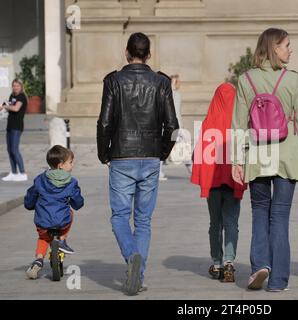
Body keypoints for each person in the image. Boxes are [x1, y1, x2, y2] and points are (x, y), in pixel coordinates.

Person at [231, 28, 298, 292]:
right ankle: (278, 281)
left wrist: (237, 160)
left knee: (259, 211)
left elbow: (238, 124)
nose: (291, 50)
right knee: (279, 216)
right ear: (274, 48)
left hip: (258, 154)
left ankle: (260, 265)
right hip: (287, 155)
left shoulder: (246, 80)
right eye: (287, 45)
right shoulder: (293, 80)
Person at [97, 32, 179, 295]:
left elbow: (105, 122)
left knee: (120, 217)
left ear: (126, 52)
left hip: (121, 155)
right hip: (150, 156)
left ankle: (131, 256)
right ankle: (138, 273)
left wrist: (104, 154)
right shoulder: (161, 82)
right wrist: (162, 153)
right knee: (143, 220)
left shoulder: (113, 81)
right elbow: (173, 127)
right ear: (149, 54)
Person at [191, 82, 247, 283]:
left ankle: (217, 264)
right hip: (233, 179)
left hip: (214, 181)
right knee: (231, 220)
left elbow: (200, 155)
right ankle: (230, 262)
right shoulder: (238, 123)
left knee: (215, 222)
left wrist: (201, 178)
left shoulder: (209, 122)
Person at [24, 145, 84, 280]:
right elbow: (77, 202)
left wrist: (29, 205)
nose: (72, 165)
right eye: (71, 162)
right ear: (61, 165)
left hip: (43, 222)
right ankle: (62, 240)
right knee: (70, 212)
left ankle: (39, 260)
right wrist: (77, 203)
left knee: (44, 238)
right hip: (62, 222)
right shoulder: (71, 182)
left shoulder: (40, 179)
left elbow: (31, 196)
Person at [1, 79, 28, 182]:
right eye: (13, 86)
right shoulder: (12, 96)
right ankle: (14, 172)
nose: (15, 87)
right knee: (9, 150)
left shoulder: (21, 97)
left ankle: (22, 173)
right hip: (10, 126)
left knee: (14, 150)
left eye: (17, 86)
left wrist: (5, 106)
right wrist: (3, 106)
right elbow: (7, 104)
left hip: (17, 127)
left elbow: (16, 108)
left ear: (21, 86)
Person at [170, 74, 193, 174]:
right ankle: (192, 171)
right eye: (177, 81)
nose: (179, 84)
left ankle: (192, 170)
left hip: (177, 127)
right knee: (183, 149)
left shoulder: (176, 94)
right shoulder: (173, 94)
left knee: (183, 149)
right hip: (175, 127)